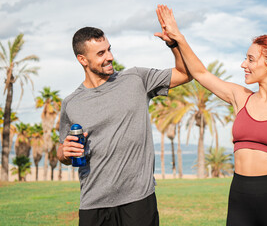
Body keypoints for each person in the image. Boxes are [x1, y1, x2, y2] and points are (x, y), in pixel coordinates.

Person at [155, 5, 267, 226]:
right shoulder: (241, 97)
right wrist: (178, 39)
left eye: (250, 59)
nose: (244, 64)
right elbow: (201, 73)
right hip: (239, 198)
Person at [56, 25, 191, 226]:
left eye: (109, 49)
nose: (109, 56)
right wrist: (64, 152)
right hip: (93, 204)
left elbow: (185, 73)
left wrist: (173, 43)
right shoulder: (71, 103)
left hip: (138, 200)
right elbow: (62, 152)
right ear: (82, 60)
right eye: (101, 53)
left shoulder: (136, 79)